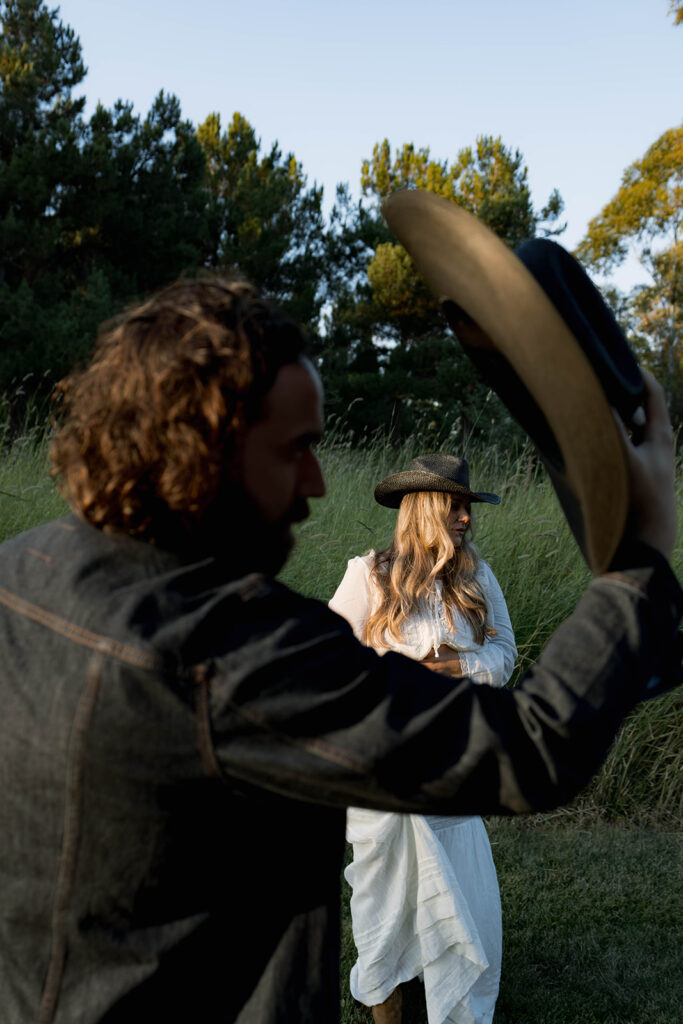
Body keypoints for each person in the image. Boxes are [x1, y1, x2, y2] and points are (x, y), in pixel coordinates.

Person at [0, 276, 680, 1024]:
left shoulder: (17, 571)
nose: (317, 485)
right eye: (298, 450)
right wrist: (636, 559)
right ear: (207, 446)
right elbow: (533, 749)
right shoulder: (240, 652)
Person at [330, 455, 516, 1023]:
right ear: (425, 510)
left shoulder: (476, 577)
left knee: (468, 915)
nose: (464, 518)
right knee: (385, 912)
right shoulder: (368, 575)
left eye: (466, 508)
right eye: (454, 506)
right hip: (385, 773)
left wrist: (464, 667)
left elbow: (505, 653)